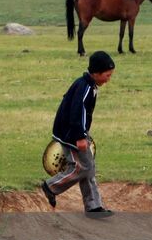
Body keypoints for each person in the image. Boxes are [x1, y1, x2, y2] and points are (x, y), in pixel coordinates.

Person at [40, 50, 114, 217]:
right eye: (107, 75)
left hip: (75, 131)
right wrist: (80, 137)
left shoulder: (89, 84)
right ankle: (51, 186)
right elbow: (77, 112)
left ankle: (93, 206)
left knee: (89, 166)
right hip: (71, 134)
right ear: (96, 73)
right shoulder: (85, 88)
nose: (109, 79)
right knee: (83, 167)